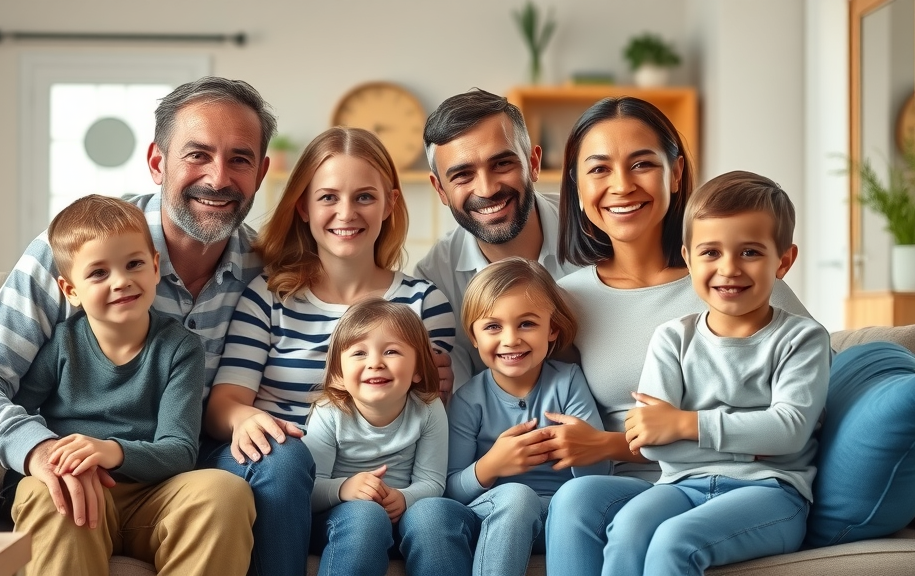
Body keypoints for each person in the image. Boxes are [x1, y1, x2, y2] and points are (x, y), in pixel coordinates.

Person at [0, 76, 274, 576]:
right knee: (60, 495)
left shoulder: (271, 271)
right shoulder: (72, 252)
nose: (218, 178)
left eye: (239, 159)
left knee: (224, 493)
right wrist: (40, 450)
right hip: (66, 473)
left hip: (170, 486)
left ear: (261, 172)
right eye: (197, 155)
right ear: (158, 162)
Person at [543, 96, 811, 575]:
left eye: (642, 163)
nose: (621, 185)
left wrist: (617, 441)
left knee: (669, 538)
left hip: (742, 484)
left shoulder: (739, 284)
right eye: (599, 169)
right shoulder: (566, 300)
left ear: (677, 172)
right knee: (576, 498)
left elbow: (805, 411)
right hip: (654, 482)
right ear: (577, 187)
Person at [204, 126, 455, 574]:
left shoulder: (424, 303)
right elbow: (225, 402)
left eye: (364, 197)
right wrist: (250, 420)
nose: (346, 212)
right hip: (277, 471)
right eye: (327, 197)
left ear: (390, 204)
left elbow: (432, 405)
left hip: (376, 489)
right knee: (286, 458)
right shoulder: (269, 296)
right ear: (302, 206)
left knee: (363, 519)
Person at [598, 171, 831, 575]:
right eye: (711, 252)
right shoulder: (673, 338)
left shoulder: (802, 338)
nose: (729, 269)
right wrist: (754, 439)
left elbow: (789, 432)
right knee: (629, 527)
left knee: (674, 542)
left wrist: (683, 424)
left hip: (771, 493)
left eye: (750, 252)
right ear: (688, 258)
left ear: (784, 261)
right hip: (681, 485)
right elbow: (651, 444)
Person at [5, 194, 229, 573]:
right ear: (70, 290)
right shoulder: (62, 344)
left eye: (134, 264)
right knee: (51, 490)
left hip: (155, 497)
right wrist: (53, 462)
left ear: (155, 267)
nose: (121, 281)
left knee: (225, 493)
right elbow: (19, 416)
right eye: (98, 273)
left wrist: (111, 451)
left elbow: (179, 450)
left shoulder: (180, 348)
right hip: (78, 490)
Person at [443, 256, 610, 576]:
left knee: (583, 500)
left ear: (552, 329)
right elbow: (451, 489)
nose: (511, 339)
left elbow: (599, 474)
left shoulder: (568, 381)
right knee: (517, 496)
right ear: (474, 337)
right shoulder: (469, 401)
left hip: (560, 518)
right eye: (493, 326)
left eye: (527, 323)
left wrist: (579, 446)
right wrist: (491, 465)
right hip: (494, 518)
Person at [415, 88, 580, 389]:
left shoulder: (594, 229)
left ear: (533, 163)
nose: (488, 189)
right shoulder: (434, 279)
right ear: (439, 189)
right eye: (462, 175)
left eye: (502, 164)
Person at [303, 298, 448, 576]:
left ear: (418, 369)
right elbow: (307, 489)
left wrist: (404, 498)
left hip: (403, 520)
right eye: (359, 354)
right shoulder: (330, 411)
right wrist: (345, 489)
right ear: (339, 375)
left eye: (391, 351)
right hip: (343, 523)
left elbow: (432, 482)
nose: (375, 363)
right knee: (367, 516)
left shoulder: (428, 407)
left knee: (434, 515)